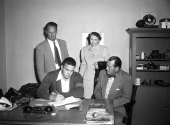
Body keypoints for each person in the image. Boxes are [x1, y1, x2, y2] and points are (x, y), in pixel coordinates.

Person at [94, 56, 132, 125]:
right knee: (90, 119)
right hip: (101, 106)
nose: (106, 68)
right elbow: (97, 90)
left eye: (109, 67)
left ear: (116, 68)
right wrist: (102, 102)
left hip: (116, 109)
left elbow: (126, 98)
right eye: (106, 66)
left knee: (114, 121)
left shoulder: (126, 77)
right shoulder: (102, 73)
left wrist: (110, 104)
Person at [79, 31, 110, 99]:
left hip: (100, 76)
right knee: (87, 98)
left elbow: (108, 64)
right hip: (87, 77)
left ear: (99, 40)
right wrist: (79, 76)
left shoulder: (104, 49)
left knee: (99, 98)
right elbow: (83, 64)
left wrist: (100, 65)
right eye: (91, 39)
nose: (93, 41)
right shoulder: (84, 49)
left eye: (95, 39)